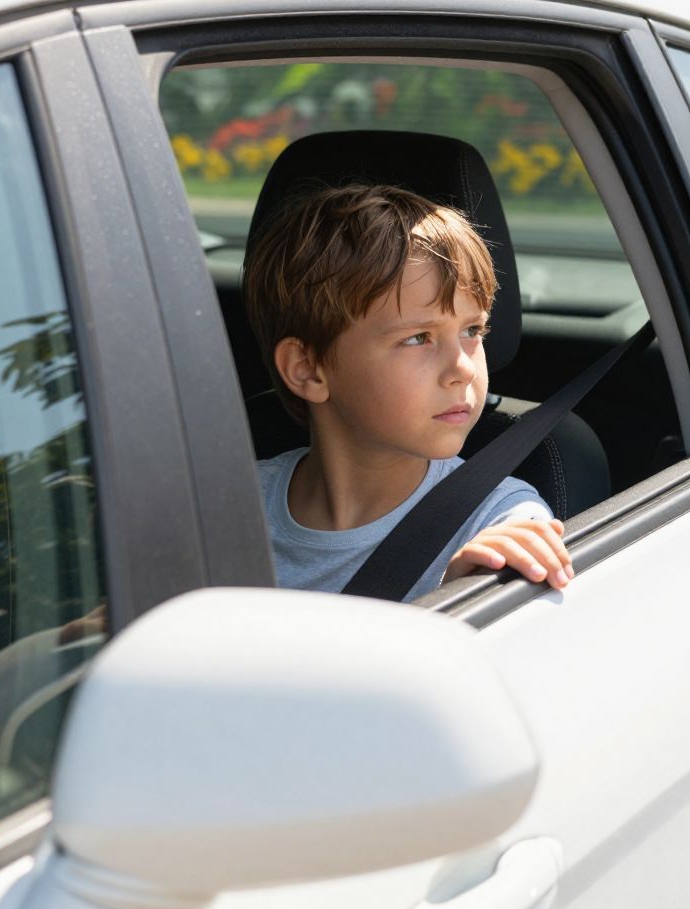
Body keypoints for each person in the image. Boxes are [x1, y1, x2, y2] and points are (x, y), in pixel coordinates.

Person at [244, 182, 575, 599]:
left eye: (473, 330)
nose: (462, 369)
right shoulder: (229, 511)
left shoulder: (497, 522)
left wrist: (463, 593)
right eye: (419, 338)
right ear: (308, 370)